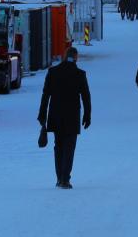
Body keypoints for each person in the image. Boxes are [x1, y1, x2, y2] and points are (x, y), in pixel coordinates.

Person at [38, 47, 92, 189]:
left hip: (56, 115)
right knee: (69, 147)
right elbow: (86, 97)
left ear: (64, 56)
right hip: (72, 116)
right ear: (76, 58)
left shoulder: (53, 72)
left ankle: (59, 178)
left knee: (59, 146)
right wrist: (87, 115)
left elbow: (45, 95)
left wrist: (42, 115)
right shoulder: (80, 74)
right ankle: (65, 179)